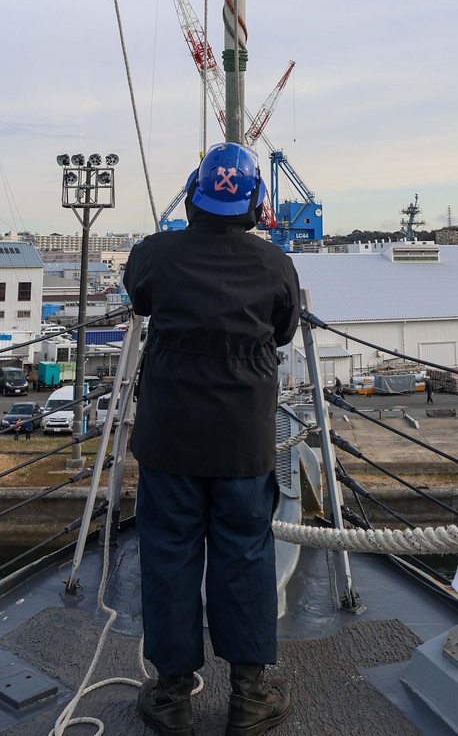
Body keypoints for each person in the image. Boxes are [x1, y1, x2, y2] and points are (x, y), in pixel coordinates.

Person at [123, 142, 301, 736]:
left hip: (169, 438)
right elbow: (283, 328)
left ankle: (171, 695)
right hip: (242, 441)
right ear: (255, 201)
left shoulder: (155, 255)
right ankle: (250, 696)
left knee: (169, 554)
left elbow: (139, 296)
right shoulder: (274, 265)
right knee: (245, 555)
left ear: (195, 195)